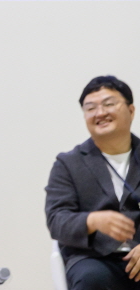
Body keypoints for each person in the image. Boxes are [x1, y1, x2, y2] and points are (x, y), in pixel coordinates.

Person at [46, 75, 140, 289]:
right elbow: (57, 221)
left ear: (131, 110)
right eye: (90, 108)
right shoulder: (68, 164)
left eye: (109, 104)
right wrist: (92, 221)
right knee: (92, 279)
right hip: (93, 258)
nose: (100, 113)